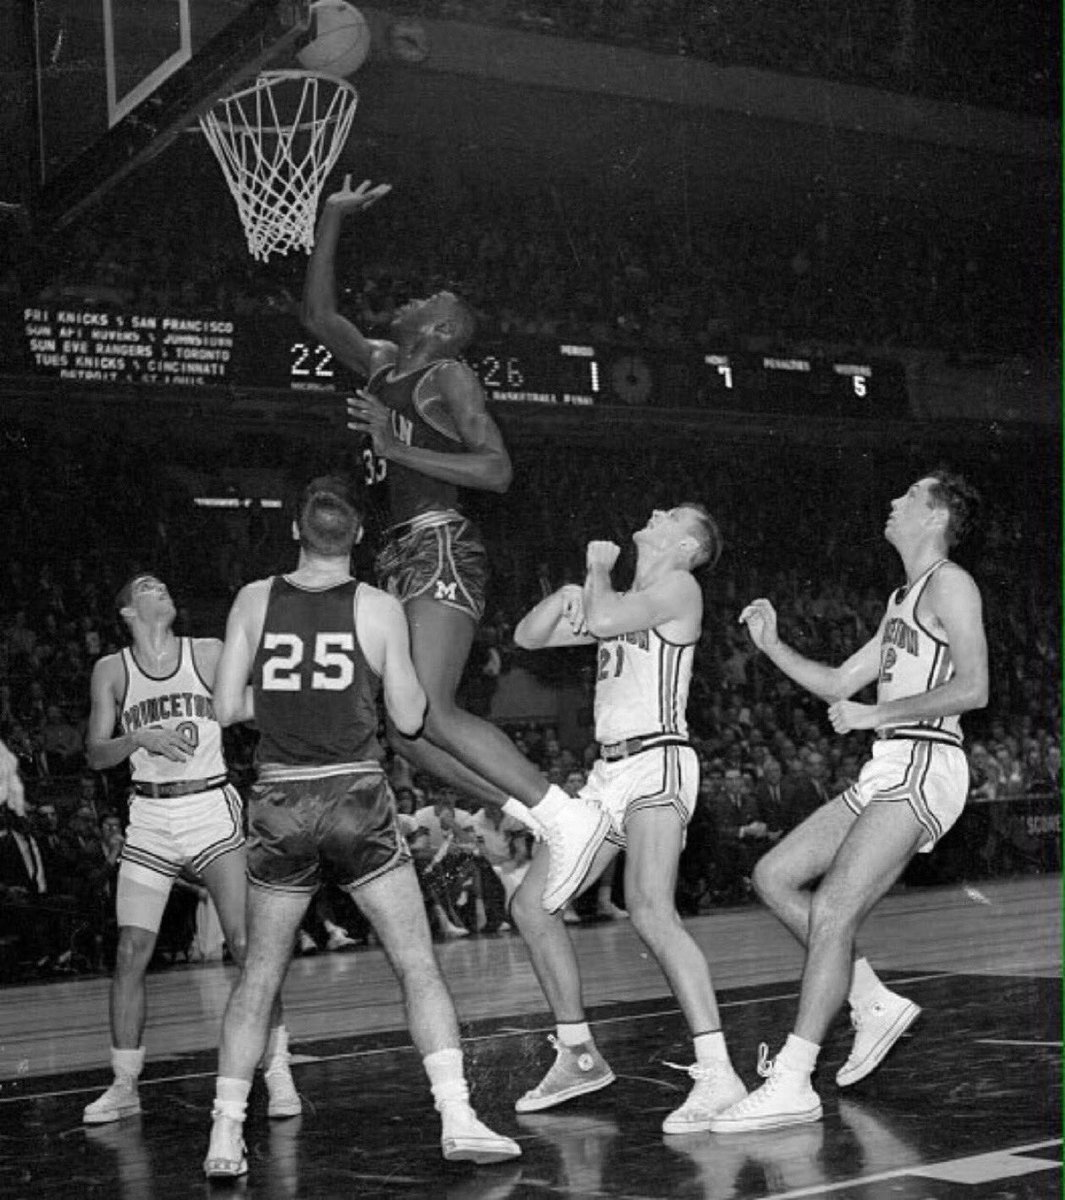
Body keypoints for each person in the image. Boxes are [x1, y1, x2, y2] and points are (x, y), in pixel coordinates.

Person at [301, 177, 609, 914]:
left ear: (441, 328)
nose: (412, 299)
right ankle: (535, 812)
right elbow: (317, 315)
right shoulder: (384, 362)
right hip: (397, 553)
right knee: (404, 731)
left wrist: (393, 446)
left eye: (428, 301)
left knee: (432, 709)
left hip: (441, 542)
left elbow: (496, 470)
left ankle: (565, 813)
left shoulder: (450, 375)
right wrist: (330, 217)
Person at [203, 475, 519, 1178]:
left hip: (280, 798)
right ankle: (457, 1115)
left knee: (259, 973)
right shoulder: (377, 606)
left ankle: (224, 1132)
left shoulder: (254, 598)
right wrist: (353, 689)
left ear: (295, 530)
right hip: (354, 795)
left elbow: (226, 708)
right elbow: (408, 717)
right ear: (359, 539)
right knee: (416, 962)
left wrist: (288, 698)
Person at [712, 470, 987, 1132]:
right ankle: (869, 999)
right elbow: (839, 681)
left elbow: (974, 687)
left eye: (908, 496)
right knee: (773, 875)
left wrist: (875, 715)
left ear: (936, 516)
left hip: (924, 759)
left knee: (833, 907)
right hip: (889, 763)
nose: (893, 502)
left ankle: (793, 1079)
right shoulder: (902, 599)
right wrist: (772, 645)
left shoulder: (951, 583)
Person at [508, 505, 751, 1135]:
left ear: (687, 545)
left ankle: (718, 1072)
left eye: (671, 516)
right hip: (608, 774)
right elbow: (529, 638)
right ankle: (578, 1054)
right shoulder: (620, 600)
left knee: (648, 908)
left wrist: (595, 574)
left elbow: (605, 618)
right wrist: (569, 592)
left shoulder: (680, 587)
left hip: (657, 760)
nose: (655, 512)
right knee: (531, 906)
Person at [82, 573, 299, 1125]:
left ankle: (278, 1069)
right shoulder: (111, 670)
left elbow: (258, 699)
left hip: (208, 806)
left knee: (245, 944)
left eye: (162, 585)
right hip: (150, 817)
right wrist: (138, 737)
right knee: (131, 951)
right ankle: (124, 1084)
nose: (160, 589)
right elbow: (96, 754)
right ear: (127, 612)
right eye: (147, 587)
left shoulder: (207, 652)